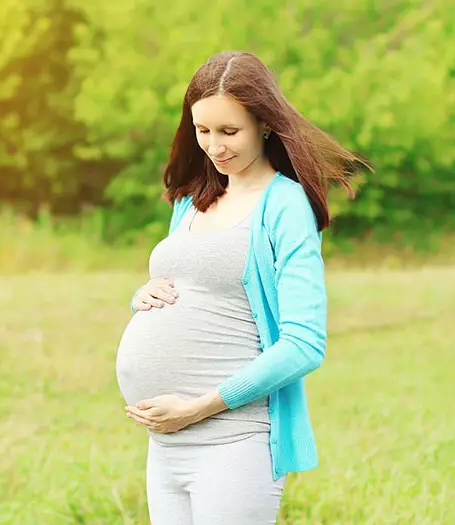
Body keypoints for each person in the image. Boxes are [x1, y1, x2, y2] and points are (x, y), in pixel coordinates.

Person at [115, 50, 370, 525]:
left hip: (232, 441)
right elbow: (194, 286)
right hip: (166, 444)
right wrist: (142, 297)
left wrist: (197, 407)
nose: (215, 146)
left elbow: (304, 344)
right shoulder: (193, 199)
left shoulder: (285, 206)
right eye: (203, 131)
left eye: (229, 132)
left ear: (265, 125)